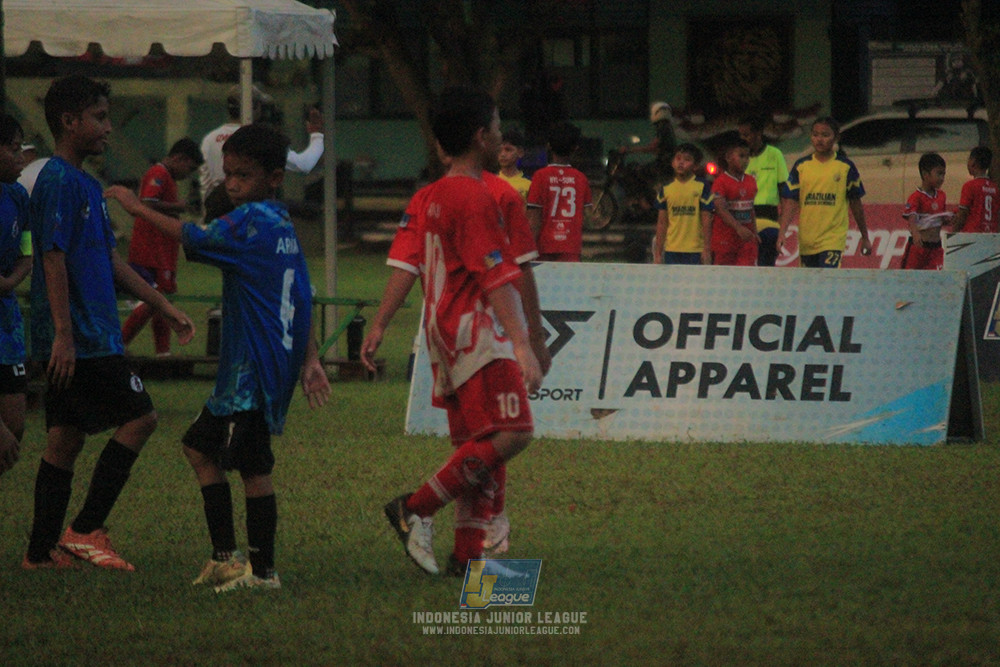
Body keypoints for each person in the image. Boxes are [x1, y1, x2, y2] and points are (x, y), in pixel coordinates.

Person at [106, 123, 331, 592]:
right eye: (227, 175)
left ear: (273, 177)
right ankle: (225, 558)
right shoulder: (279, 222)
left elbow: (194, 236)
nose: (231, 185)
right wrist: (310, 359)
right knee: (198, 448)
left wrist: (136, 208)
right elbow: (302, 296)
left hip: (255, 368)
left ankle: (264, 573)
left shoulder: (252, 220)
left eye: (242, 177)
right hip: (244, 369)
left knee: (253, 466)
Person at [23, 75, 196, 570]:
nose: (108, 127)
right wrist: (62, 335)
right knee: (141, 417)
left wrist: (161, 305)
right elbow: (51, 257)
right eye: (99, 117)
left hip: (86, 334)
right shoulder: (57, 180)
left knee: (65, 438)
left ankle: (39, 554)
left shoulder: (85, 184)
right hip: (83, 338)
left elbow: (110, 262)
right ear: (69, 121)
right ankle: (85, 529)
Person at [380, 86, 542, 577]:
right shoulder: (473, 195)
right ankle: (416, 506)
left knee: (481, 442)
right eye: (496, 127)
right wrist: (523, 343)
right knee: (514, 433)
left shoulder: (433, 194)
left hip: (445, 329)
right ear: (481, 136)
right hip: (475, 333)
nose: (501, 135)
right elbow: (496, 274)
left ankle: (468, 556)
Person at [121, 138, 204, 356]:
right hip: (151, 251)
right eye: (190, 168)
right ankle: (118, 345)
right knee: (152, 299)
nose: (189, 174)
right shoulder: (158, 174)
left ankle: (163, 353)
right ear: (180, 158)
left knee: (161, 301)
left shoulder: (166, 176)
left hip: (161, 251)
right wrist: (181, 207)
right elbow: (147, 203)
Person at [199, 85, 324, 220]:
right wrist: (316, 135)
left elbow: (205, 185)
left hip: (217, 218)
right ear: (253, 107)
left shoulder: (209, 139)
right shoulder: (260, 139)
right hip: (249, 219)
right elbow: (304, 164)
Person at [777, 117, 873, 267]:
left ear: (836, 137)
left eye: (825, 135)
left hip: (833, 239)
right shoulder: (802, 166)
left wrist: (865, 236)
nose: (819, 139)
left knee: (828, 281)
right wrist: (782, 233)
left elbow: (856, 204)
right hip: (807, 240)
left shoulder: (845, 167)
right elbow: (791, 201)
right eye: (815, 135)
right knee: (812, 287)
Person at [0, 115, 33, 477]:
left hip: (7, 326)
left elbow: (28, 251)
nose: (21, 159)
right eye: (13, 150)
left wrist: (11, 282)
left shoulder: (16, 196)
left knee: (15, 428)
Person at [526, 120, 593, 262]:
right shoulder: (581, 178)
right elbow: (588, 217)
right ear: (575, 148)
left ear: (548, 146)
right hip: (571, 249)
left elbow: (534, 218)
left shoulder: (540, 176)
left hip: (543, 247)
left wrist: (528, 251)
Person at [738, 114, 789, 266]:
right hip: (744, 220)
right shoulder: (739, 158)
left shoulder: (774, 155)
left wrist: (782, 221)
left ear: (758, 133)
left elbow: (784, 192)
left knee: (766, 266)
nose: (743, 138)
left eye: (746, 135)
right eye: (740, 135)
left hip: (769, 220)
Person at [652, 143, 713, 265]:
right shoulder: (666, 189)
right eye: (678, 158)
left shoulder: (702, 186)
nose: (681, 163)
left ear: (695, 166)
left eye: (687, 159)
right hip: (672, 250)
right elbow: (662, 222)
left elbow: (707, 219)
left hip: (695, 250)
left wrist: (706, 249)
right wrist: (658, 253)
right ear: (672, 162)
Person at [705, 138, 759, 266]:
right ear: (728, 157)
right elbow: (720, 209)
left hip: (746, 241)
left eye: (747, 157)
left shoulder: (751, 180)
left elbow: (750, 208)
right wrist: (738, 227)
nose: (745, 160)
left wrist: (755, 232)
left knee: (746, 279)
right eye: (741, 156)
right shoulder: (720, 182)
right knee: (725, 281)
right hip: (725, 242)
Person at [901, 153, 952, 270]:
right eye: (939, 174)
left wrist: (948, 220)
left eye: (943, 174)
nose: (942, 178)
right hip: (919, 247)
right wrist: (915, 233)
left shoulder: (941, 196)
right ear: (925, 174)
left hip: (935, 248)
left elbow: (939, 219)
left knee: (936, 278)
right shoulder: (916, 197)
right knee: (911, 279)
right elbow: (912, 218)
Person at [620, 101, 678, 186]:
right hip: (667, 163)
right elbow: (658, 147)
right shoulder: (667, 127)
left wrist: (629, 150)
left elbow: (652, 147)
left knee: (637, 171)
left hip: (663, 165)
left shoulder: (662, 127)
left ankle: (649, 197)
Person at [952, 146, 999, 233]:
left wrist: (954, 232)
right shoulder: (995, 188)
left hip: (973, 235)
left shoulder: (969, 186)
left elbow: (963, 214)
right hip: (992, 235)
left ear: (973, 162)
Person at [497, 128, 532, 201]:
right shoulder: (490, 181)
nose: (503, 154)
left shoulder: (529, 183)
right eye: (500, 150)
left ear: (520, 152)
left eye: (508, 150)